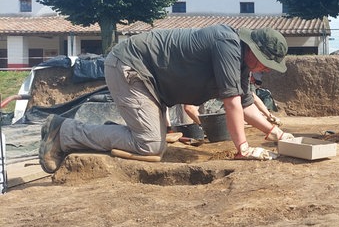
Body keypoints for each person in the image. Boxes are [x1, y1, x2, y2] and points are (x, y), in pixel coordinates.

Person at [38, 24, 295, 173]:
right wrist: (244, 149)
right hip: (131, 66)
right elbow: (231, 103)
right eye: (266, 62)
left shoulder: (242, 63)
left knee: (151, 143)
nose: (268, 69)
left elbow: (246, 104)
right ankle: (64, 131)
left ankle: (109, 134)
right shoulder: (227, 45)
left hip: (152, 82)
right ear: (254, 49)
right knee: (150, 146)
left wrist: (278, 134)